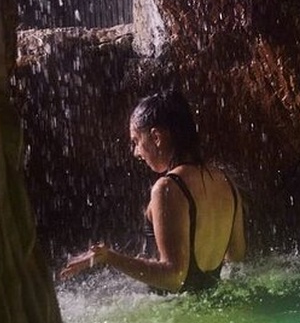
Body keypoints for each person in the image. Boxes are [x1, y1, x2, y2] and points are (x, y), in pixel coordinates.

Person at [59, 89, 246, 293]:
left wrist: (109, 257)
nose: (136, 152)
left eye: (136, 141)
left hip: (176, 316)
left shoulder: (167, 188)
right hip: (210, 310)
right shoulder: (225, 181)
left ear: (156, 137)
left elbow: (174, 277)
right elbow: (236, 255)